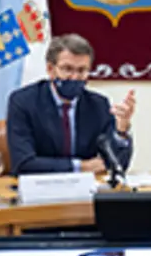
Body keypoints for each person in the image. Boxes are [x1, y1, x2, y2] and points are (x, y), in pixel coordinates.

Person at [7, 34, 135, 176]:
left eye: (81, 71)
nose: (74, 77)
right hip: (40, 191)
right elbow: (23, 163)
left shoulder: (98, 105)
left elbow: (117, 165)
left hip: (86, 192)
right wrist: (81, 166)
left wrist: (121, 130)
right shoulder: (23, 101)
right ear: (50, 69)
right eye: (67, 69)